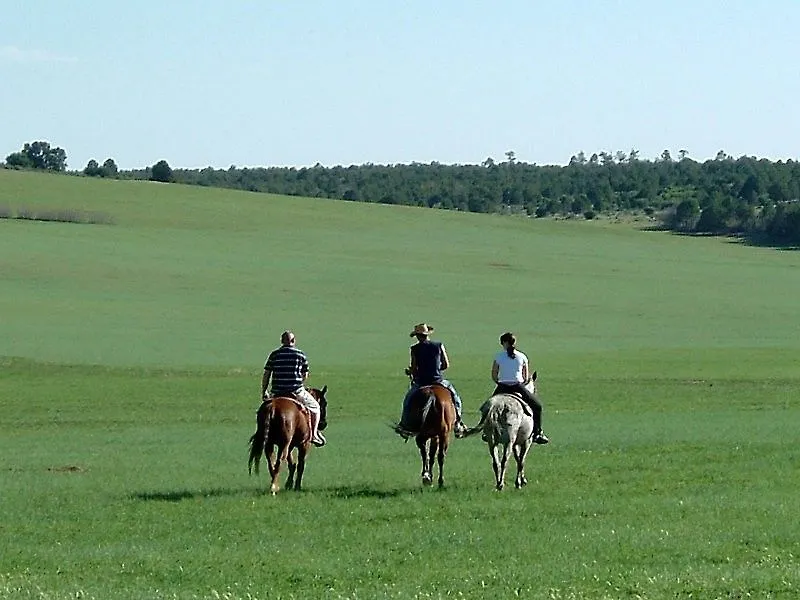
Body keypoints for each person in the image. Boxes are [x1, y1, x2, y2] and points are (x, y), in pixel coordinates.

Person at [398, 323, 466, 436]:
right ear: (427, 335)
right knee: (455, 398)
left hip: (422, 382)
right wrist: (436, 369)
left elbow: (414, 369)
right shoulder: (439, 346)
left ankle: (405, 426)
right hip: (438, 381)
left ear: (418, 336)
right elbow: (446, 365)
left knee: (408, 401)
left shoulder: (414, 349)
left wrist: (410, 372)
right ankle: (458, 422)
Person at [261, 330, 326, 447]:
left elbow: (266, 374)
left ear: (282, 341)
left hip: (277, 391)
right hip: (295, 391)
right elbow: (304, 374)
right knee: (315, 407)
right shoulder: (300, 355)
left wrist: (264, 390)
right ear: (294, 341)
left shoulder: (274, 354)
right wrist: (299, 382)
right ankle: (314, 435)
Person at [491, 331, 549, 444]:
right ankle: (538, 433)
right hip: (518, 387)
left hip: (502, 387)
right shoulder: (522, 356)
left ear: (504, 343)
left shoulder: (498, 356)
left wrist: (500, 382)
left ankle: (487, 431)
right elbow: (526, 377)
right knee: (537, 406)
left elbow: (494, 375)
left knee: (488, 408)